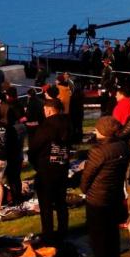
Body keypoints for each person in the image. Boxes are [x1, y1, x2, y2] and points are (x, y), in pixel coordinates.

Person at [81, 116, 130, 257]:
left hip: (98, 199)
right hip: (114, 195)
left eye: (97, 129)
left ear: (104, 132)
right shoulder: (122, 146)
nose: (95, 131)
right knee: (112, 234)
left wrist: (84, 188)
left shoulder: (98, 151)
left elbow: (87, 176)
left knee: (98, 237)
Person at [29, 99, 72, 243]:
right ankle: (63, 230)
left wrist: (35, 163)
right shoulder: (68, 123)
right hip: (62, 166)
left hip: (47, 168)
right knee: (61, 201)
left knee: (46, 204)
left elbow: (34, 147)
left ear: (48, 110)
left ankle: (48, 233)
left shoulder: (46, 127)